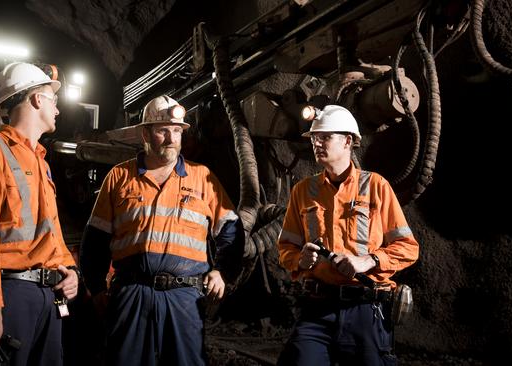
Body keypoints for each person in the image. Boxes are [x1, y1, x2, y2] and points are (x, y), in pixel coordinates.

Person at [80, 95, 242, 366]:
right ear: (145, 133)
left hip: (184, 296)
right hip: (132, 291)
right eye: (162, 130)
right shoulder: (120, 177)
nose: (171, 138)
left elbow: (231, 229)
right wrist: (96, 288)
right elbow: (95, 239)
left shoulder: (202, 177)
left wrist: (223, 271)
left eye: (177, 131)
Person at [0, 62, 79, 366]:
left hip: (48, 295)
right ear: (37, 100)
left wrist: (69, 268)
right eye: (54, 100)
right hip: (10, 293)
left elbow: (50, 230)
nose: (58, 110)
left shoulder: (40, 161)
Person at [276, 105, 419, 366]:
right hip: (317, 308)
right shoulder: (303, 191)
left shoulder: (375, 186)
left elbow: (408, 248)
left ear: (348, 141)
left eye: (325, 137)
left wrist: (367, 261)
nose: (317, 143)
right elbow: (286, 247)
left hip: (365, 310)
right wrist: (300, 260)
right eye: (314, 138)